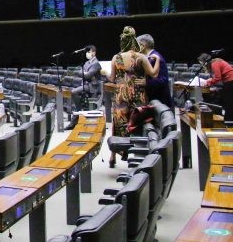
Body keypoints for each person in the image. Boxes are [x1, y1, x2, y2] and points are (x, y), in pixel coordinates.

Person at [108, 27, 160, 167]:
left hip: (121, 96)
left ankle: (113, 156)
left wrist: (104, 73)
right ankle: (140, 155)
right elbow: (154, 74)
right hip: (138, 95)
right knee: (139, 123)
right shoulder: (141, 57)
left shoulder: (116, 58)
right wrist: (158, 61)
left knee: (119, 124)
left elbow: (112, 78)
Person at [137, 34, 172, 108]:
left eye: (137, 45)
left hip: (160, 100)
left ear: (143, 46)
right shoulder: (149, 57)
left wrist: (147, 82)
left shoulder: (155, 57)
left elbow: (164, 80)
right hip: (153, 98)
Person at [199, 53, 233, 123]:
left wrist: (208, 83)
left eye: (202, 62)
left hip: (230, 82)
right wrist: (210, 80)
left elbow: (218, 78)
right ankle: (228, 121)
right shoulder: (215, 62)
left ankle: (229, 122)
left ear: (205, 61)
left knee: (228, 103)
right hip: (229, 82)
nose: (202, 64)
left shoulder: (215, 63)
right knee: (228, 103)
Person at [71, 45, 102, 111]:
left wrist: (84, 73)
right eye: (87, 52)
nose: (87, 53)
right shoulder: (86, 63)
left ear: (94, 53)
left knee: (74, 92)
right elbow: (79, 72)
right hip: (86, 84)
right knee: (73, 92)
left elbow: (88, 75)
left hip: (92, 86)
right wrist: (84, 73)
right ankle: (79, 108)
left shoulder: (96, 63)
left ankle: (79, 109)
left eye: (89, 52)